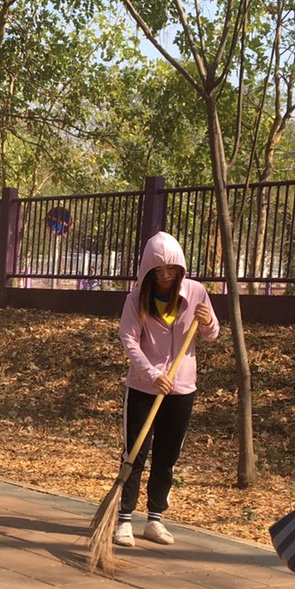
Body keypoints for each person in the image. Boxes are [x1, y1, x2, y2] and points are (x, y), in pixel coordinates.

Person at [114, 232, 219, 546]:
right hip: (144, 388)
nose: (165, 277)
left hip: (182, 388)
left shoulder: (196, 292)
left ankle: (155, 519)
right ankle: (123, 518)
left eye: (170, 270)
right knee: (135, 452)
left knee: (167, 456)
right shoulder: (136, 299)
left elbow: (211, 335)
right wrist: (150, 374)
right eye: (158, 272)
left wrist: (209, 319)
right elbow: (129, 340)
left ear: (180, 269)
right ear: (148, 272)